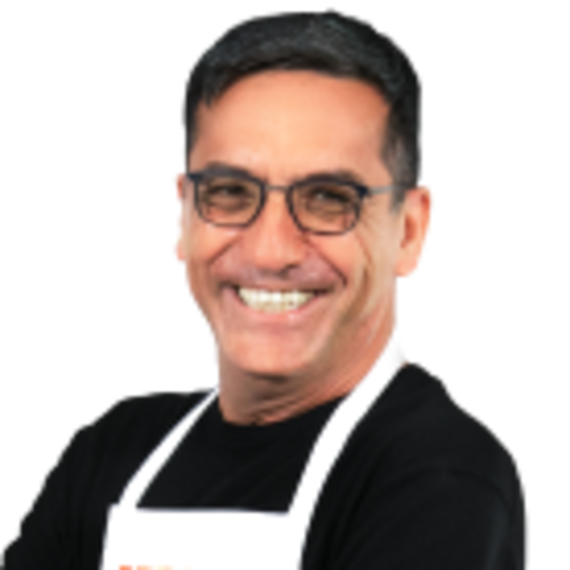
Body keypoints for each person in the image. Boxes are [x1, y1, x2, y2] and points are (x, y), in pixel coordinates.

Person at [1, 7, 527, 570]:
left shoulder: (442, 478)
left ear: (411, 230)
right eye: (230, 191)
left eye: (328, 199)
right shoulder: (112, 452)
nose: (270, 251)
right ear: (181, 213)